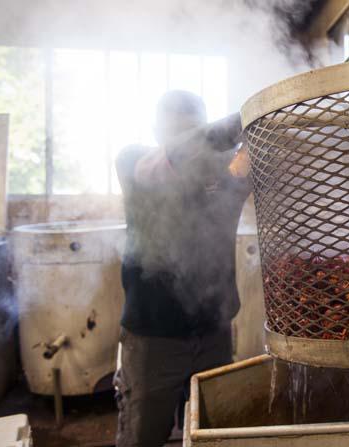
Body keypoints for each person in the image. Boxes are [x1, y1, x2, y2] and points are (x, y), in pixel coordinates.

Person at [113, 90, 251, 446]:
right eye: (176, 130)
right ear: (156, 132)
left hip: (213, 334)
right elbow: (180, 152)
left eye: (193, 127)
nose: (187, 139)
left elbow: (252, 166)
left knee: (214, 433)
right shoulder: (135, 162)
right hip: (152, 340)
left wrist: (264, 131)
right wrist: (249, 116)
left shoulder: (222, 178)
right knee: (142, 437)